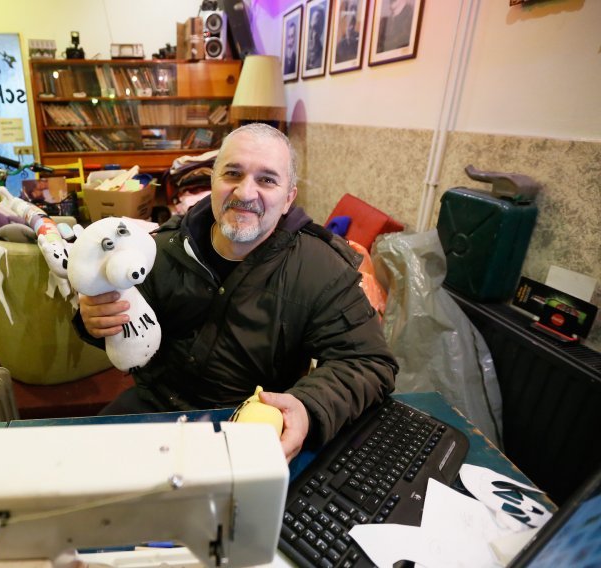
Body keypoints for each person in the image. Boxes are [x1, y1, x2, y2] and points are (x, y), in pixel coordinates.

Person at [76, 123, 398, 461]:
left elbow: (370, 362)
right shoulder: (160, 248)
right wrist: (93, 319)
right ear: (211, 182)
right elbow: (122, 330)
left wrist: (307, 407)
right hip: (152, 411)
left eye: (267, 180)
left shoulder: (321, 270)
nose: (245, 193)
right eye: (233, 173)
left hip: (249, 431)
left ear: (289, 197)